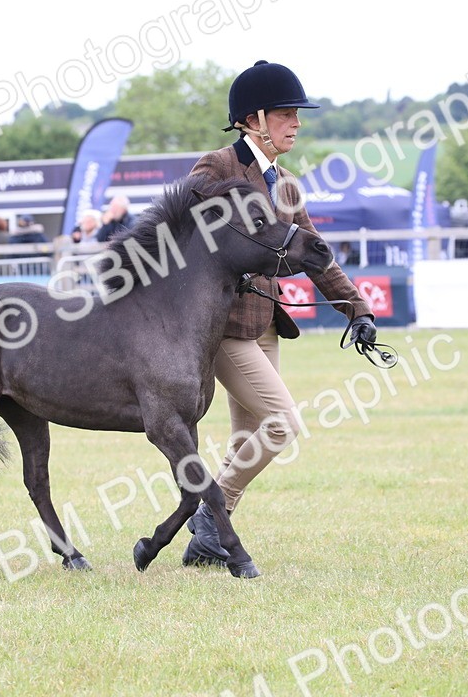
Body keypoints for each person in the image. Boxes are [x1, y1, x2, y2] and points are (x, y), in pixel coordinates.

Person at [181, 60, 378, 569]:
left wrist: (355, 308)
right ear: (254, 119)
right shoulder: (217, 165)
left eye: (297, 115)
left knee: (249, 438)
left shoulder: (287, 182)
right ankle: (210, 517)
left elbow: (316, 252)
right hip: (223, 327)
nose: (296, 123)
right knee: (282, 425)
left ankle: (209, 540)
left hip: (265, 323)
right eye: (287, 114)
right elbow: (188, 219)